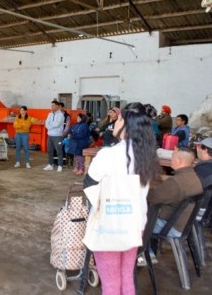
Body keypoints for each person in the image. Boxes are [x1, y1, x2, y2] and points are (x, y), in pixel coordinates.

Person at [84, 102, 161, 295]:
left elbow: (89, 185)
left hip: (109, 225)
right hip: (136, 223)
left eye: (117, 119)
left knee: (110, 282)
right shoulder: (148, 155)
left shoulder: (107, 155)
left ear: (124, 122)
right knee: (127, 276)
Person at [139, 147, 203, 266]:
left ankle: (144, 254)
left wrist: (144, 188)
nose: (170, 160)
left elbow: (151, 198)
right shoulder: (195, 177)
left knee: (136, 223)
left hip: (171, 227)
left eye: (172, 157)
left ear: (178, 161)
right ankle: (149, 251)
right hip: (184, 225)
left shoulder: (176, 182)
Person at [43, 100, 65, 172]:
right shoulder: (50, 114)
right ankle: (50, 164)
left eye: (53, 105)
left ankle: (60, 165)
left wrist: (50, 125)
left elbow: (57, 124)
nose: (51, 107)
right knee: (50, 151)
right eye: (51, 105)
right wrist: (50, 125)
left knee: (59, 151)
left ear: (57, 106)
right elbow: (46, 123)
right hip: (50, 136)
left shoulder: (61, 115)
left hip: (57, 136)